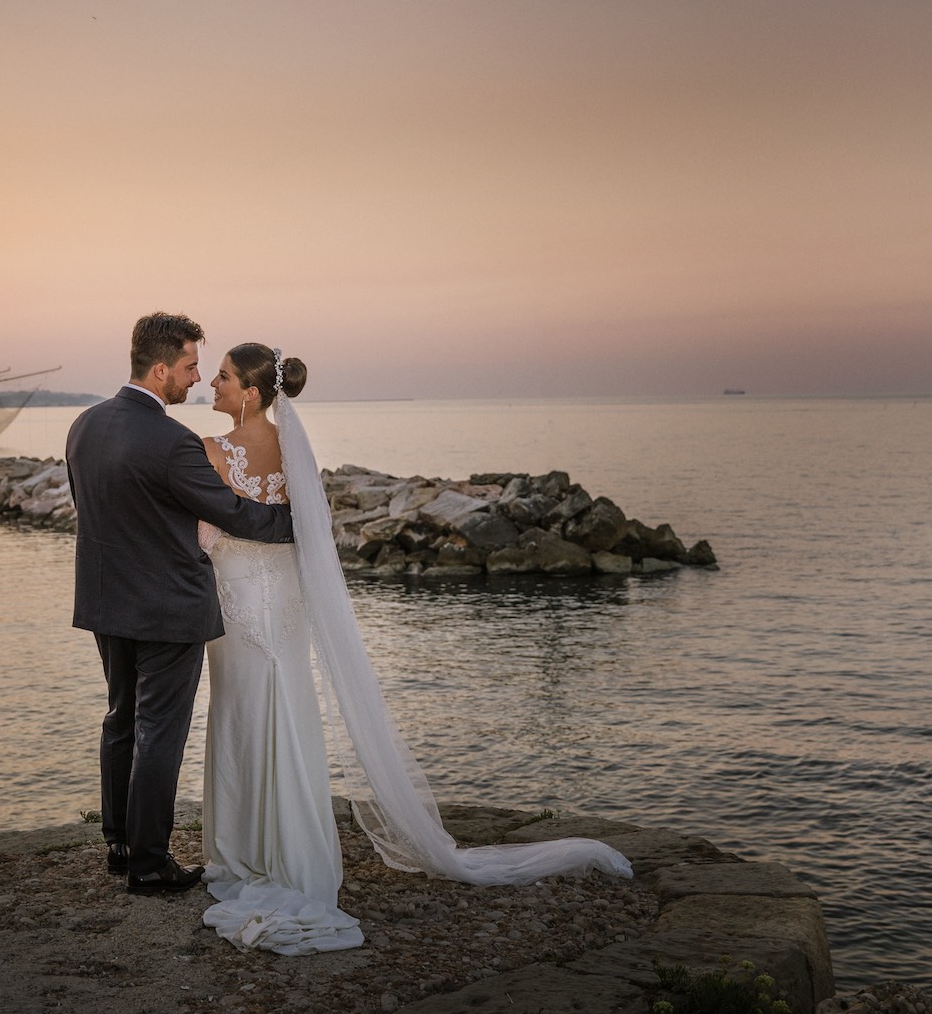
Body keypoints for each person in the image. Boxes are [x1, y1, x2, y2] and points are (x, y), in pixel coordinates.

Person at [195, 343, 631, 955]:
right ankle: (294, 851)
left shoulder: (214, 451)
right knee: (289, 716)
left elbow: (207, 534)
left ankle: (240, 853)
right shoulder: (295, 449)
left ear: (249, 390)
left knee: (239, 714)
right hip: (286, 604)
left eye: (221, 376)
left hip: (238, 606)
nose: (211, 384)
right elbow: (305, 534)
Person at [66, 313, 295, 895]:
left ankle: (118, 845)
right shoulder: (171, 441)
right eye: (192, 366)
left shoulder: (84, 426)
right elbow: (230, 511)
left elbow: (94, 511)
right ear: (161, 367)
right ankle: (148, 862)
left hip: (105, 601)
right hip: (168, 608)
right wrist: (293, 524)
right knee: (160, 733)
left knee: (120, 719)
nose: (196, 379)